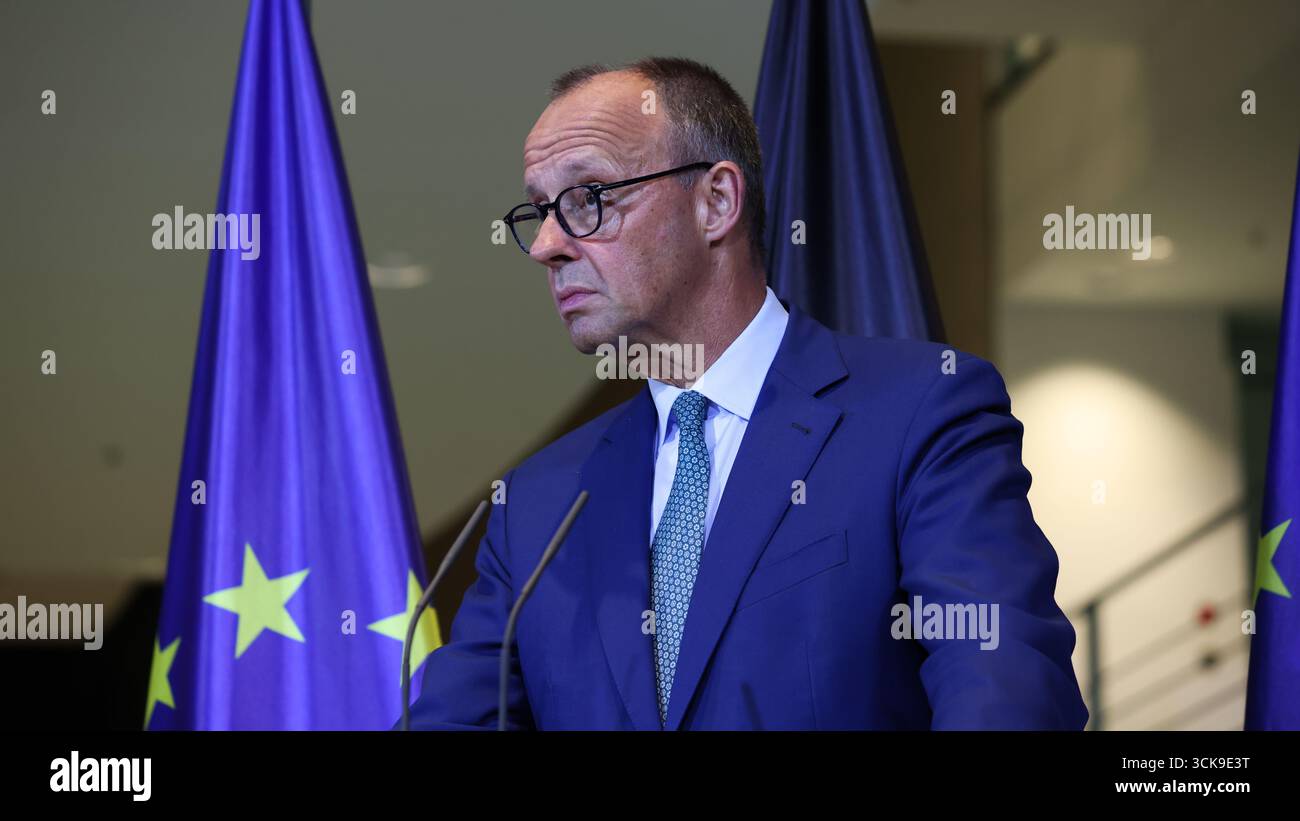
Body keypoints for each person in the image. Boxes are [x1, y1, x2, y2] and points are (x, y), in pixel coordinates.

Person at [406, 57, 1088, 730]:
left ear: (717, 202)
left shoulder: (920, 414)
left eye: (587, 199)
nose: (546, 244)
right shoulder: (538, 508)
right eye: (541, 210)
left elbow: (1009, 694)